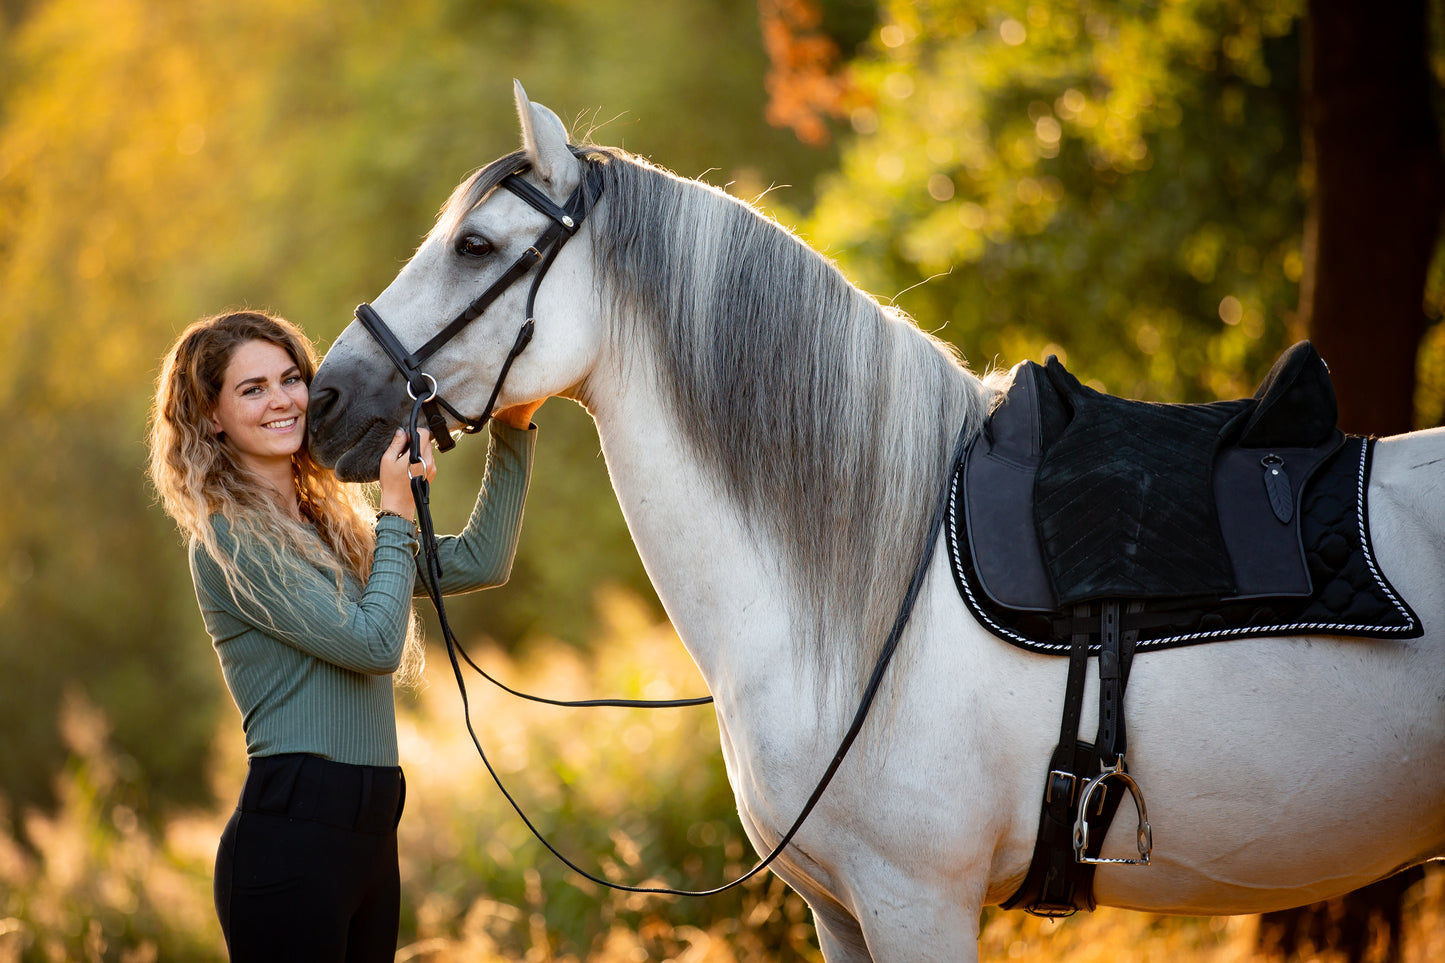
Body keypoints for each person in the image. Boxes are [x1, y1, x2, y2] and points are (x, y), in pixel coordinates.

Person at [147, 310, 539, 962]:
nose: (282, 399)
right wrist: (394, 511)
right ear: (211, 416)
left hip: (368, 836)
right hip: (292, 840)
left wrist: (515, 424)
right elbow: (374, 646)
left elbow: (482, 559)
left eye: (290, 378)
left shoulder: (333, 528)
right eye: (252, 388)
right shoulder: (228, 538)